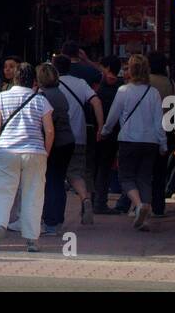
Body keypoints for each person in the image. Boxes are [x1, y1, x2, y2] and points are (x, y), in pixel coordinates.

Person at [0, 62, 54, 252]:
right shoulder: (41, 100)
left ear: (14, 78)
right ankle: (32, 239)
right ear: (33, 80)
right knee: (34, 194)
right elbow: (49, 130)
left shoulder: (2, 97)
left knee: (1, 191)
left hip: (6, 150)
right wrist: (45, 152)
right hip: (35, 151)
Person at [99, 54, 167, 231]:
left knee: (125, 177)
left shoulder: (123, 91)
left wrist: (105, 131)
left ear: (131, 70)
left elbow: (113, 115)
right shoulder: (153, 93)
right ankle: (144, 214)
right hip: (150, 142)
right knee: (145, 178)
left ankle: (138, 206)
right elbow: (159, 121)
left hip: (128, 140)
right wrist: (163, 143)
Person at [53, 54, 102, 226]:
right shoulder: (80, 83)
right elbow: (96, 102)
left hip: (57, 137)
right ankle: (85, 198)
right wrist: (100, 126)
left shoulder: (52, 85)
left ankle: (55, 215)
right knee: (76, 173)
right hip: (79, 136)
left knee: (56, 175)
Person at [37, 61, 74, 237]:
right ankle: (57, 219)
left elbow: (45, 126)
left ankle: (50, 221)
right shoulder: (60, 94)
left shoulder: (42, 96)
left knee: (49, 182)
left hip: (54, 142)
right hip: (67, 141)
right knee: (58, 181)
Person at [147, 52, 175, 218]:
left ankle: (142, 203)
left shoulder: (146, 81)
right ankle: (159, 206)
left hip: (147, 131)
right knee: (160, 172)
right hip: (166, 131)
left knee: (144, 171)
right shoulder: (170, 83)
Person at [92, 55, 123, 214]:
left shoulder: (99, 86)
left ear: (107, 68)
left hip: (100, 132)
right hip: (116, 132)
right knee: (105, 167)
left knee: (97, 167)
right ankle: (100, 202)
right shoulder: (122, 86)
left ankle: (94, 201)